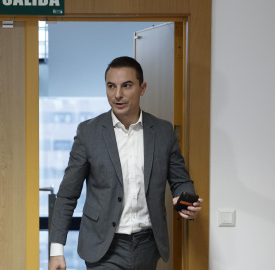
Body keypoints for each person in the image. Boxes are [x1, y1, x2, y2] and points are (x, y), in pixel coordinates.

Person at [48, 56, 203, 270]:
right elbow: (67, 194)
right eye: (111, 86)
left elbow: (181, 181)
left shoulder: (163, 132)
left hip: (148, 245)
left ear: (142, 88)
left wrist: (187, 200)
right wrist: (56, 250)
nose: (117, 95)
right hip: (103, 246)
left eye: (126, 86)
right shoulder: (88, 132)